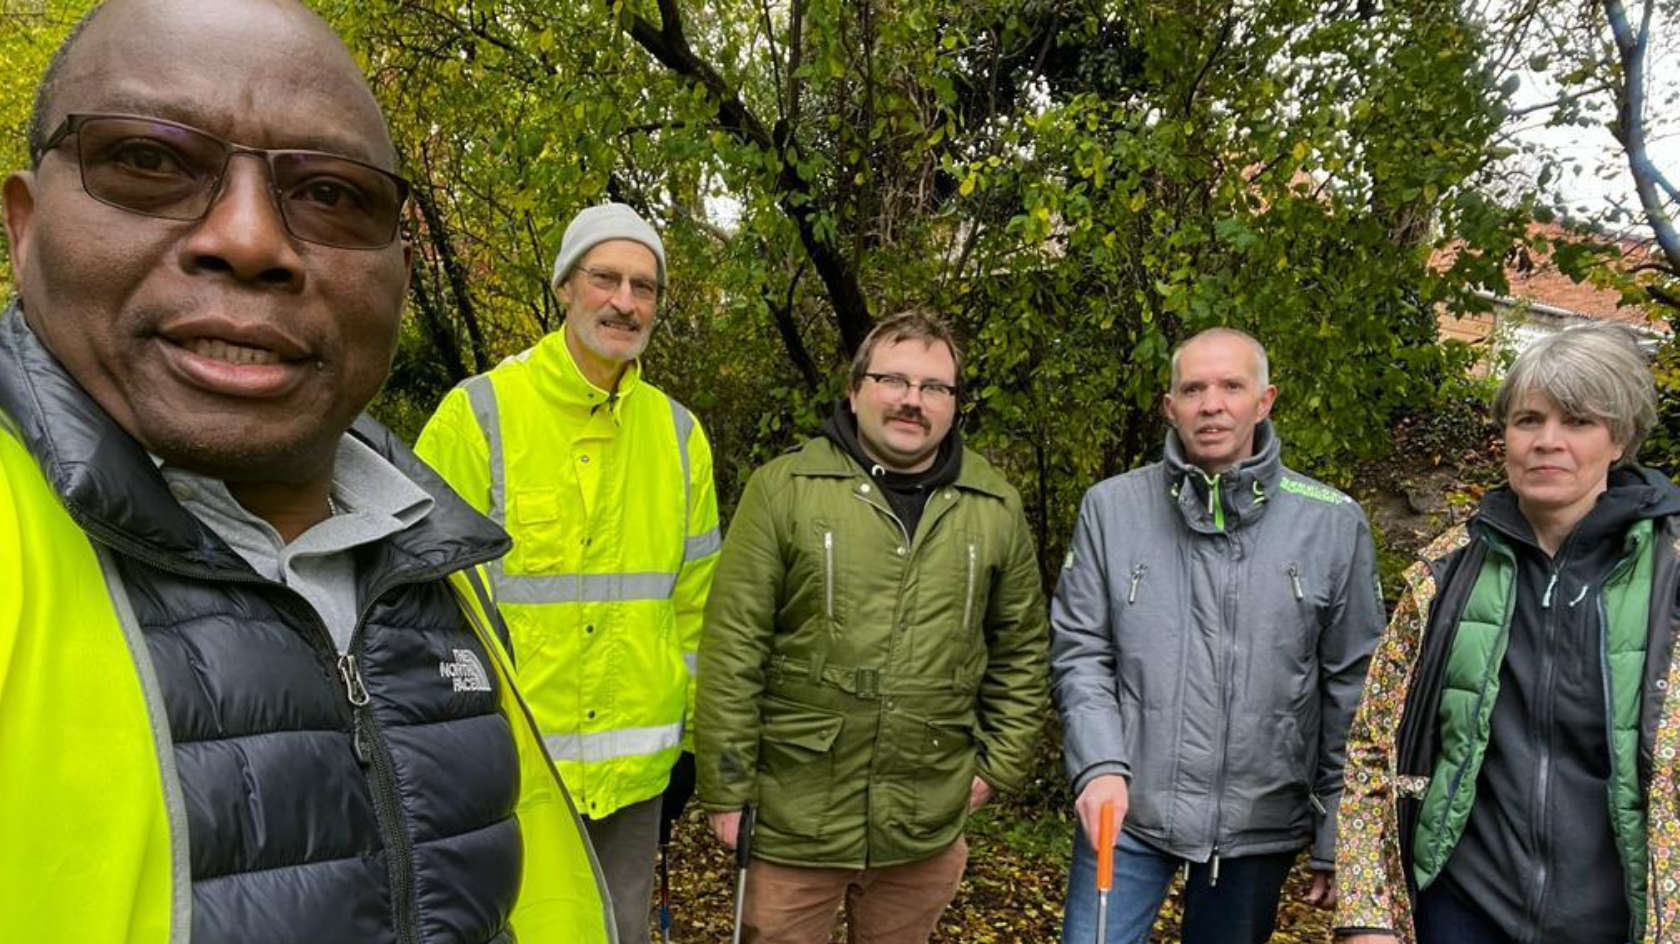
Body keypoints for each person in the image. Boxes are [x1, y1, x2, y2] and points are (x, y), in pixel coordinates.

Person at [0, 1, 612, 941]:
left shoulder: (429, 552)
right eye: (150, 161)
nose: (249, 239)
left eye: (330, 193)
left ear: (399, 273)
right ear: (25, 225)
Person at [417, 202, 718, 944]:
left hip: (634, 784)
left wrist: (687, 747)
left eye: (644, 287)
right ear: (564, 287)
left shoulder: (679, 435)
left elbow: (695, 609)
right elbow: (419, 606)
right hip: (509, 775)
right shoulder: (478, 415)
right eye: (605, 278)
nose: (625, 302)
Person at [696, 311, 1049, 943]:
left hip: (923, 817)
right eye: (894, 380)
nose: (913, 400)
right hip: (793, 815)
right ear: (856, 389)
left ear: (954, 404)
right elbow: (733, 647)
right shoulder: (785, 489)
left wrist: (998, 767)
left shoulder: (994, 506)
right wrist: (726, 789)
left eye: (934, 387)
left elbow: (1021, 650)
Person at [1336, 322, 1680, 944]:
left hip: (1619, 922)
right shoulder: (1446, 573)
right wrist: (1368, 918)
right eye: (1528, 420)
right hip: (1462, 915)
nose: (1548, 441)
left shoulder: (1670, 576)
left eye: (1578, 421)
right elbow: (1371, 749)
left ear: (1619, 439)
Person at [1051, 327, 1386, 944]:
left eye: (1231, 386)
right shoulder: (1111, 509)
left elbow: (1355, 688)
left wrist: (1341, 828)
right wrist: (1098, 766)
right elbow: (1081, 652)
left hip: (1258, 821)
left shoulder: (1332, 523)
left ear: (1264, 401)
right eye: (1193, 389)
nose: (1211, 404)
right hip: (1126, 811)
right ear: (1169, 406)